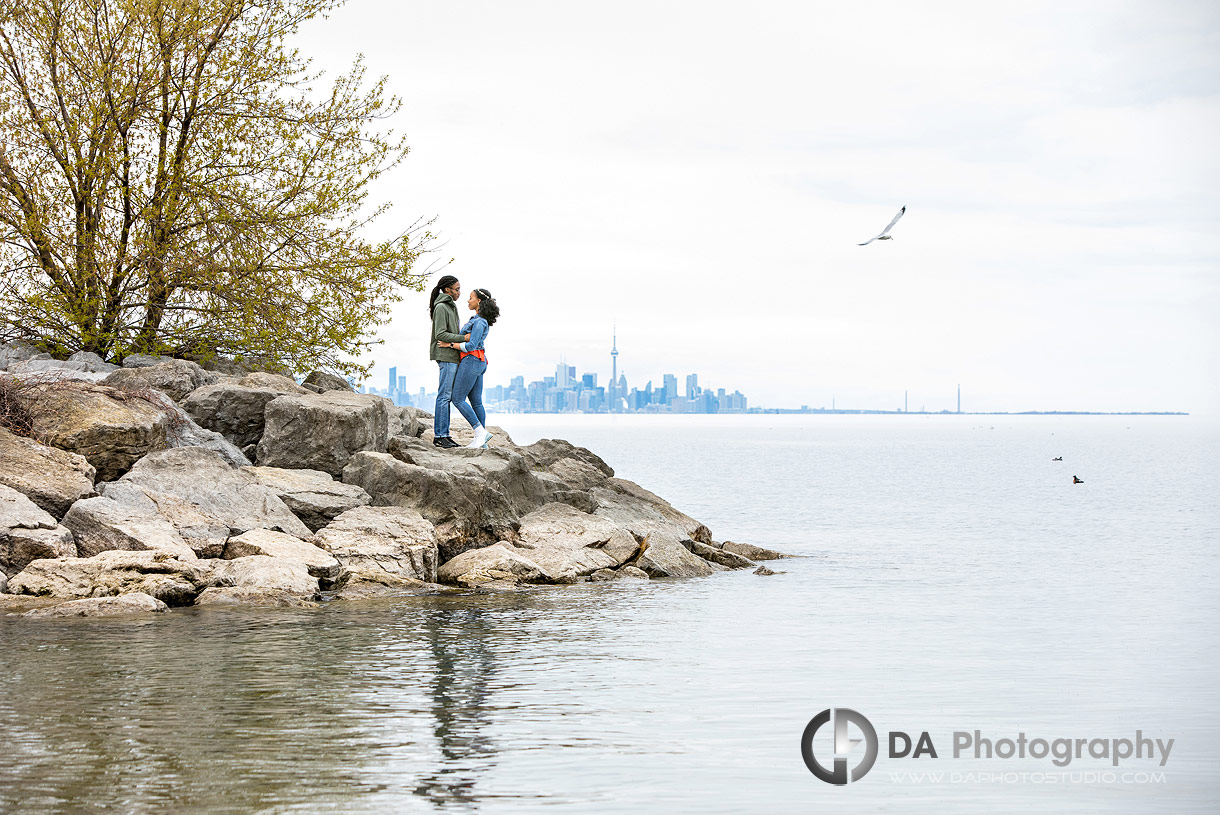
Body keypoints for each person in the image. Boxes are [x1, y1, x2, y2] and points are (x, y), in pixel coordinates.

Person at [437, 287, 499, 449]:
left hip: (471, 361)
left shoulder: (479, 322)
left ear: (479, 301)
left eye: (471, 297)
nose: (468, 300)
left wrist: (449, 344)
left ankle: (480, 433)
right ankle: (482, 442)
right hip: (479, 362)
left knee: (457, 399)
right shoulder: (480, 320)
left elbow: (471, 345)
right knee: (476, 402)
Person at [428, 275, 466, 448]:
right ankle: (439, 436)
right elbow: (440, 334)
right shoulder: (442, 307)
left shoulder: (451, 306)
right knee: (444, 396)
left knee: (447, 396)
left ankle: (445, 434)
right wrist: (463, 338)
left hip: (452, 356)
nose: (459, 292)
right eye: (457, 289)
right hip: (445, 355)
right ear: (447, 289)